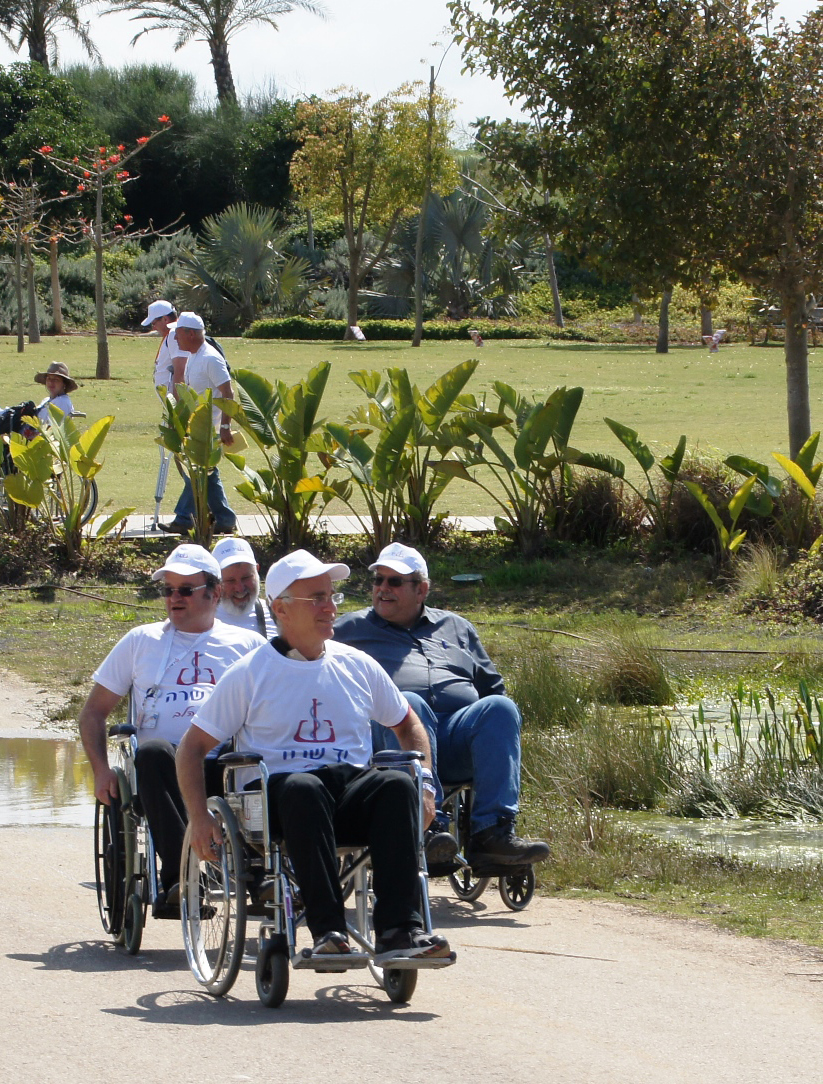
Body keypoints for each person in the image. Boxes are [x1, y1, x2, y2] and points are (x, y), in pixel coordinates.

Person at [177, 549, 452, 962]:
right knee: (304, 788)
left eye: (332, 596)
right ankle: (328, 930)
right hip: (283, 799)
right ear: (281, 609)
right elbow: (191, 748)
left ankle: (400, 930)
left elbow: (408, 726)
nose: (331, 607)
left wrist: (426, 784)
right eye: (317, 598)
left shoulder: (357, 664)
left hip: (348, 791)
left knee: (397, 783)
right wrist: (199, 817)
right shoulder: (251, 672)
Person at [334, 542, 550, 872]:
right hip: (392, 740)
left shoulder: (457, 627)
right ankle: (430, 830)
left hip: (455, 736)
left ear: (421, 589)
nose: (382, 589)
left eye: (394, 582)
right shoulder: (349, 630)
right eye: (378, 580)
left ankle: (491, 834)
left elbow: (492, 686)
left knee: (500, 707)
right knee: (409, 703)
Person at [78, 544, 266, 909]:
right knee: (151, 751)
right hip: (161, 770)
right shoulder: (140, 641)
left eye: (184, 590)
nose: (173, 598)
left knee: (250, 757)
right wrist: (101, 771)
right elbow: (93, 713)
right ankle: (181, 879)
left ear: (215, 593)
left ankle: (259, 876)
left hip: (222, 764)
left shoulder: (248, 645)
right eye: (168, 590)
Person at [158, 311, 237, 536]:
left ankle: (184, 518)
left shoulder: (210, 358)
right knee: (206, 474)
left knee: (199, 473)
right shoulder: (194, 356)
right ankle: (224, 517)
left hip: (208, 428)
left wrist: (224, 426)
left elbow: (227, 392)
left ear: (191, 334)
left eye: (178, 333)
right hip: (196, 426)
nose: (174, 338)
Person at [213, 536, 276, 639]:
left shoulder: (276, 616)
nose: (240, 588)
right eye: (230, 581)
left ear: (257, 570)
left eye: (246, 578)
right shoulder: (199, 621)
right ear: (216, 580)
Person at [141, 299, 186, 394]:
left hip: (174, 401)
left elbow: (180, 370)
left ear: (165, 319)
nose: (153, 328)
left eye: (154, 323)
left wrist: (178, 403)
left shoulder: (174, 334)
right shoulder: (170, 334)